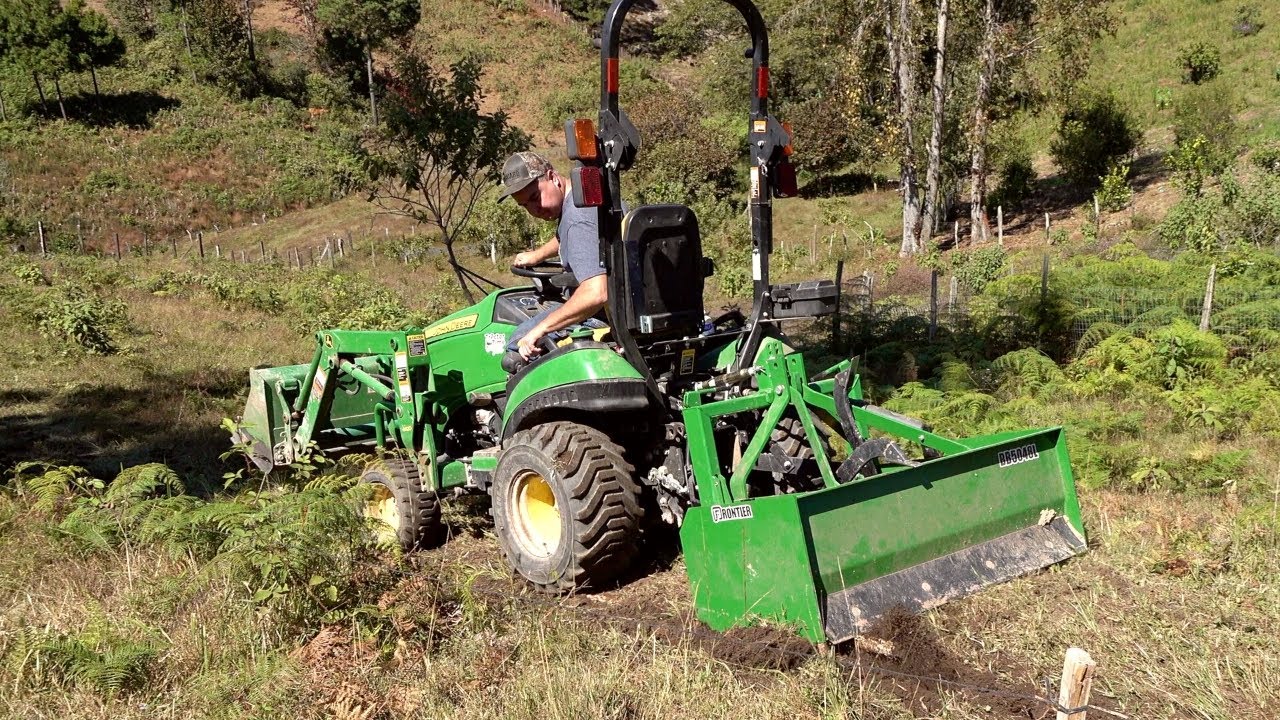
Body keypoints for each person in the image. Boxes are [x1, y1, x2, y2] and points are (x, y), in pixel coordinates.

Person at [497, 151, 609, 372]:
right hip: (626, 307)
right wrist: (538, 255)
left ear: (553, 178)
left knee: (516, 344)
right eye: (525, 206)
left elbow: (596, 293)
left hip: (601, 315)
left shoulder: (577, 219)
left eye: (534, 197)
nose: (534, 210)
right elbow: (568, 236)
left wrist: (540, 330)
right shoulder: (586, 200)